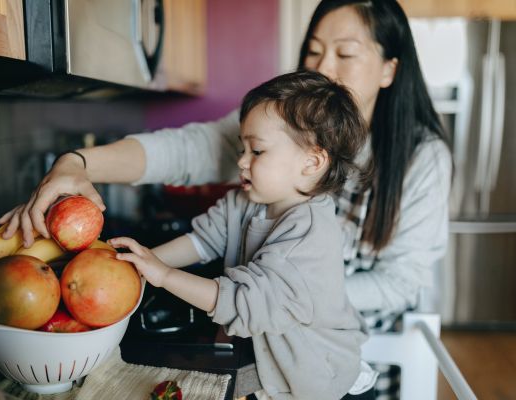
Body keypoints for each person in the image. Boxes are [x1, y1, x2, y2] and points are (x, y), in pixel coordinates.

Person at [0, 0, 452, 397]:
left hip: (329, 360)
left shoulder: (416, 160)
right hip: (263, 340)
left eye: (345, 53)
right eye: (313, 49)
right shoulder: (268, 151)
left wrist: (297, 294)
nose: (322, 65)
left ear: (390, 68)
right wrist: (79, 165)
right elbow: (193, 166)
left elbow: (395, 282)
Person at [111, 70, 375, 400]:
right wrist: (139, 265)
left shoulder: (308, 238)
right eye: (242, 148)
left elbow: (239, 302)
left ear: (312, 162)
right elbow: (203, 240)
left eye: (258, 151)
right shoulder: (245, 201)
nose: (242, 161)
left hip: (316, 380)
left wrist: (163, 275)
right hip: (272, 362)